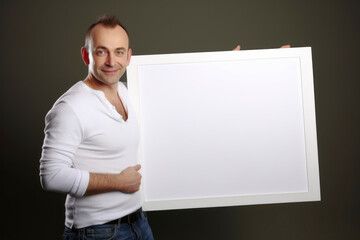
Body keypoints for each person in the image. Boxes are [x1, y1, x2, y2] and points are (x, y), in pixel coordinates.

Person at [40, 14, 154, 239]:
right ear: (86, 55)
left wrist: (224, 65)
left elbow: (177, 98)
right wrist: (118, 182)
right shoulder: (70, 107)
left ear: (129, 56)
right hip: (98, 231)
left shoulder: (127, 92)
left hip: (138, 222)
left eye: (119, 52)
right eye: (102, 52)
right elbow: (51, 176)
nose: (112, 61)